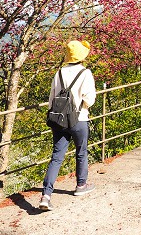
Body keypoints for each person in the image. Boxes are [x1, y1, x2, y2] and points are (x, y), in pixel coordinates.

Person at [39, 39, 97, 210]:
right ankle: (81, 185)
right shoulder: (85, 73)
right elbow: (90, 100)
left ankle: (46, 195)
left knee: (56, 157)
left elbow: (52, 100)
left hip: (59, 121)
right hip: (79, 119)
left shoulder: (59, 73)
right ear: (82, 56)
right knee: (81, 152)